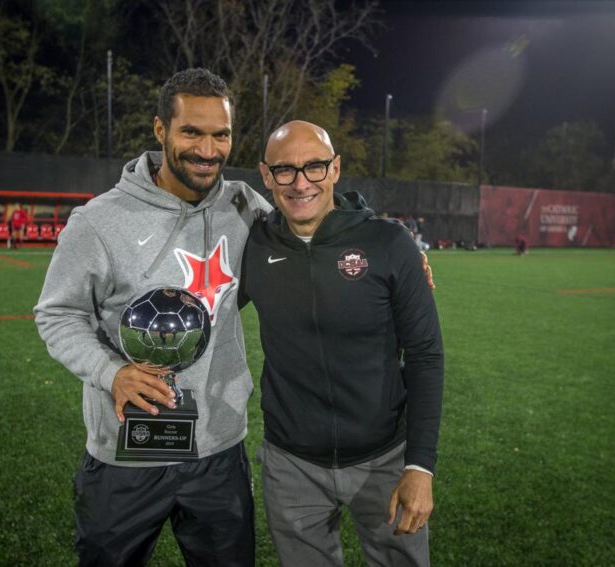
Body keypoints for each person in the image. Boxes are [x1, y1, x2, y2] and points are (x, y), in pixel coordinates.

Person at [34, 69, 272, 566]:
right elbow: (58, 314)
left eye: (221, 134)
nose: (208, 150)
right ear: (160, 129)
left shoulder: (244, 207)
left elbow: (309, 239)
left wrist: (384, 247)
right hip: (125, 453)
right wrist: (111, 372)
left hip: (218, 450)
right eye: (192, 132)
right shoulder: (99, 222)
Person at [240, 121, 444, 566]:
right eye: (285, 170)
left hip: (385, 458)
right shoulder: (252, 246)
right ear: (265, 174)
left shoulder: (389, 243)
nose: (300, 183)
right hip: (290, 463)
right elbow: (199, 304)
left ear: (335, 169)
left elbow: (426, 355)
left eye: (314, 167)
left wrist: (420, 466)